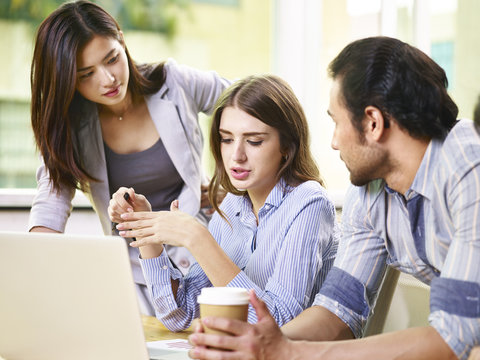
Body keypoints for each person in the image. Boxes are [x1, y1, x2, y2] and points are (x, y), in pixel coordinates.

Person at [187, 36, 480, 360]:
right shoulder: (369, 190)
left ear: (372, 123)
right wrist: (257, 342)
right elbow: (339, 309)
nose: (334, 142)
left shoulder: (469, 165)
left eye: (337, 122)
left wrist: (288, 353)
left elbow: (455, 338)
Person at [28, 0, 230, 316]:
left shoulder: (174, 83)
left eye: (112, 59)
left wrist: (229, 184)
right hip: (135, 273)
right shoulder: (69, 128)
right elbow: (51, 203)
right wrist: (31, 266)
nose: (107, 79)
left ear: (122, 40)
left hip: (203, 255)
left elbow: (250, 107)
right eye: (86, 74)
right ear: (66, 79)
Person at [108, 75, 338, 331]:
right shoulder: (232, 206)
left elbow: (278, 324)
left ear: (286, 145)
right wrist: (147, 234)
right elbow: (178, 315)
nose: (236, 156)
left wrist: (198, 238)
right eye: (227, 139)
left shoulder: (309, 203)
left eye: (254, 141)